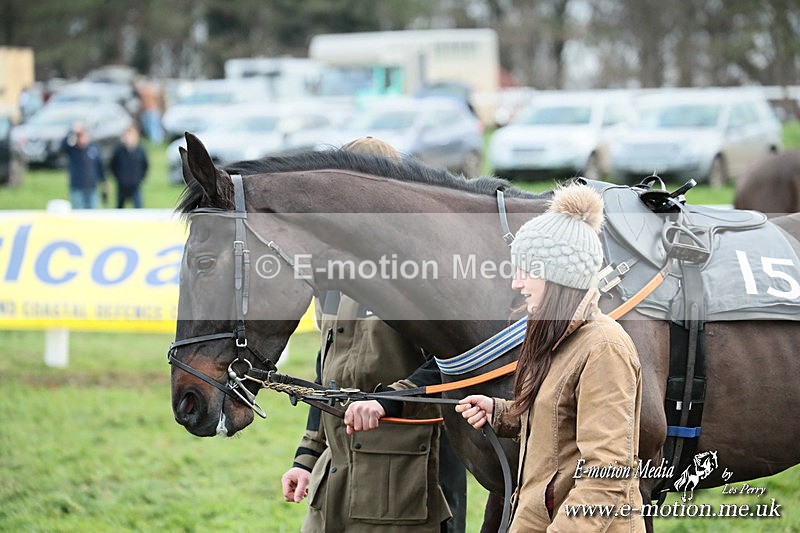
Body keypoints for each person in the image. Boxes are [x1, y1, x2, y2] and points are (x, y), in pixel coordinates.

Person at [281, 137, 465, 533]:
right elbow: (327, 369)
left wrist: (389, 400)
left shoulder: (427, 265)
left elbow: (457, 363)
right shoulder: (330, 271)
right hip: (337, 473)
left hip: (410, 479)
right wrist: (305, 458)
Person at [456, 184, 645, 532]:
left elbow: (606, 476)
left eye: (527, 271)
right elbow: (561, 426)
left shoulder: (604, 348)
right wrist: (502, 413)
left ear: (559, 277)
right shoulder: (555, 338)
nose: (516, 283)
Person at [61, 123, 107, 209]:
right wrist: (72, 131)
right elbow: (62, 145)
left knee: (93, 214)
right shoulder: (72, 150)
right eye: (80, 136)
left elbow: (99, 166)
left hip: (92, 187)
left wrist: (104, 182)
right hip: (77, 188)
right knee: (78, 213)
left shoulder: (93, 148)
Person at [110, 125, 149, 208]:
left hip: (135, 184)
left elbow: (145, 166)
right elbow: (112, 166)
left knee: (138, 207)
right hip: (122, 185)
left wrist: (139, 178)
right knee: (119, 207)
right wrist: (119, 178)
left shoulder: (140, 150)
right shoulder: (119, 151)